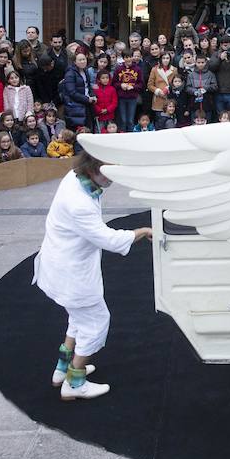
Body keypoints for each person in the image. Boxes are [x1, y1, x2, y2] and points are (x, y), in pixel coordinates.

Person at [33, 152, 152, 399]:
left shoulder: (73, 177)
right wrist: (140, 231)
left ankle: (62, 368)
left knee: (78, 318)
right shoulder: (79, 204)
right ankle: (74, 383)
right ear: (93, 168)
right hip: (71, 273)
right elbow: (106, 238)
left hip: (60, 264)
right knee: (96, 322)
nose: (112, 178)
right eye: (108, 172)